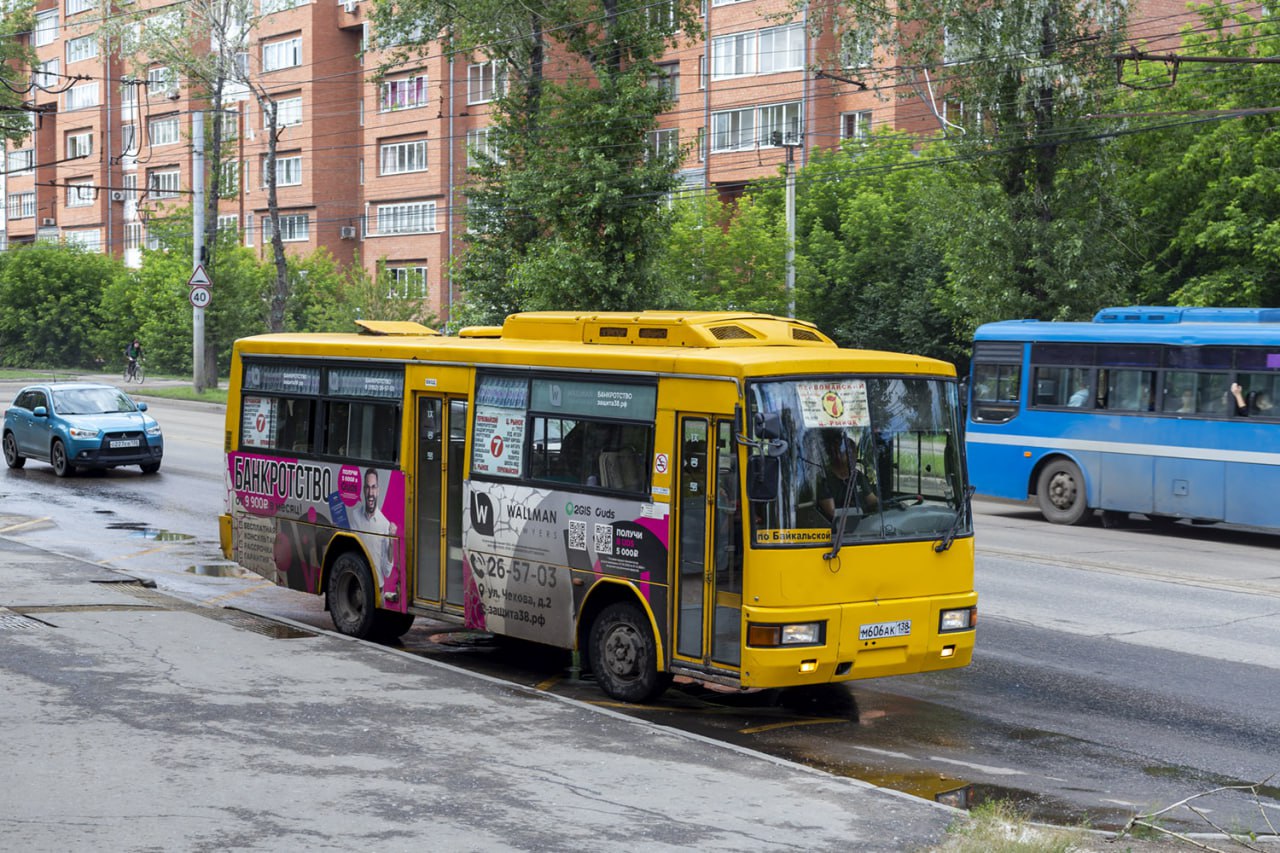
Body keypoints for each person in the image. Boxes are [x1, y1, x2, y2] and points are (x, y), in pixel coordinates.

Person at [817, 431, 878, 520]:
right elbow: (832, 512)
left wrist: (889, 505)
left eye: (854, 452)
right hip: (836, 531)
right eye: (849, 453)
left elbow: (872, 501)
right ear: (836, 455)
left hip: (864, 527)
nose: (854, 456)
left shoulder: (858, 476)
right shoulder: (824, 479)